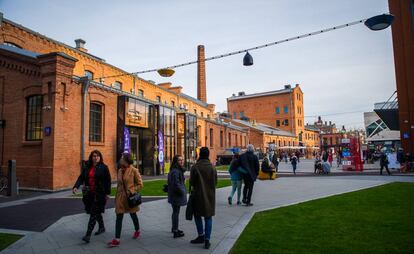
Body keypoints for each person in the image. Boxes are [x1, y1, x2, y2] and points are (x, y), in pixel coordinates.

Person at [73, 150, 111, 243]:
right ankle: (102, 227)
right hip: (89, 194)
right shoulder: (87, 167)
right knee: (94, 212)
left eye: (98, 156)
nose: (96, 157)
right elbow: (81, 178)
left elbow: (108, 181)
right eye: (94, 156)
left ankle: (88, 235)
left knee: (93, 213)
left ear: (100, 157)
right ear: (91, 157)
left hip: (99, 194)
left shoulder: (104, 167)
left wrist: (108, 193)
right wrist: (76, 186)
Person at [108, 153, 143, 247]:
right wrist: (116, 197)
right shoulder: (119, 170)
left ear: (127, 160)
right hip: (120, 198)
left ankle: (137, 230)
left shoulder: (134, 170)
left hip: (130, 197)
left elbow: (140, 184)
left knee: (133, 214)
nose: (121, 159)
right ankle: (117, 239)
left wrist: (131, 190)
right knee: (119, 217)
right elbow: (119, 185)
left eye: (122, 158)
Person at [189, 147, 217, 249]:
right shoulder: (212, 167)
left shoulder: (195, 167)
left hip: (198, 195)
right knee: (208, 217)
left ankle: (201, 235)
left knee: (197, 215)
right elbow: (215, 182)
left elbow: (192, 182)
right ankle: (207, 239)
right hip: (210, 195)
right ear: (208, 155)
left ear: (200, 154)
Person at [167, 155, 187, 238]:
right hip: (176, 195)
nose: (182, 161)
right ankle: (175, 231)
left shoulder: (177, 170)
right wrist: (183, 191)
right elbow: (176, 184)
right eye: (179, 160)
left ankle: (174, 228)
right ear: (176, 161)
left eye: (182, 160)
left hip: (174, 194)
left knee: (175, 212)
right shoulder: (175, 171)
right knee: (176, 212)